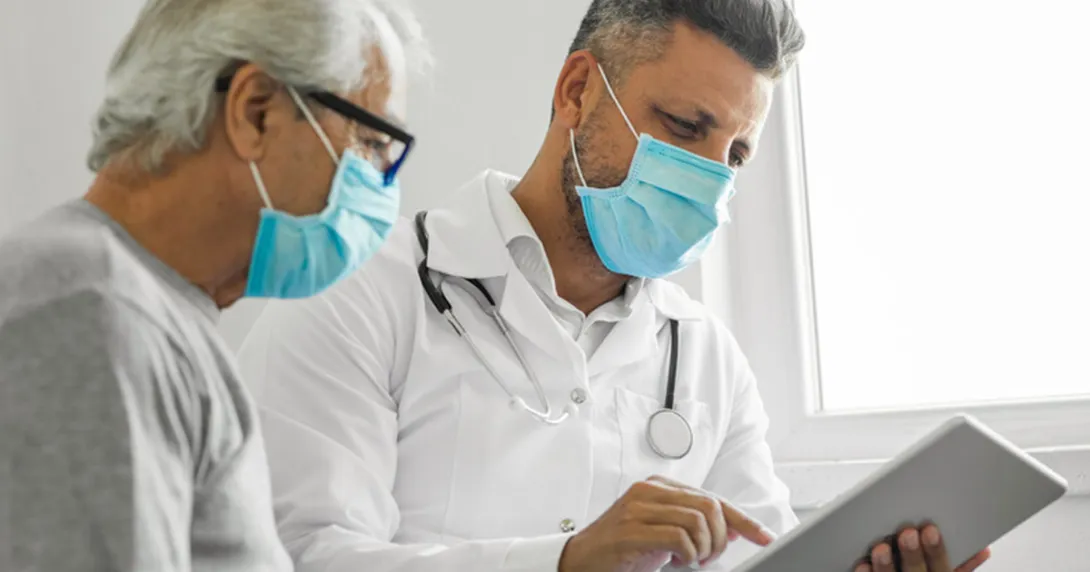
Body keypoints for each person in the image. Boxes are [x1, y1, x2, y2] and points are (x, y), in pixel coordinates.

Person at [237, 1, 991, 571]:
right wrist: (560, 563)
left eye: (735, 153)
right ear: (576, 92)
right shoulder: (361, 290)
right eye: (685, 125)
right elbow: (304, 555)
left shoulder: (707, 360)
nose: (709, 174)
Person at [0, 0, 427, 570]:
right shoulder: (93, 318)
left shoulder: (147, 311)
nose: (381, 186)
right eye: (373, 145)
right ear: (256, 112)